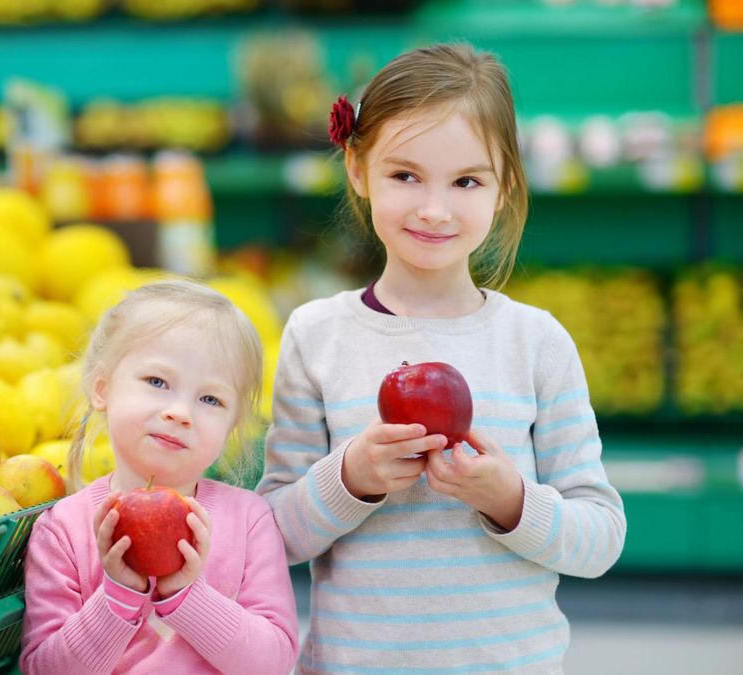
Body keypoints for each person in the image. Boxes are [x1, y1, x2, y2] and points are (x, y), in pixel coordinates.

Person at [257, 42, 627, 674]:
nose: (434, 208)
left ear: (504, 186)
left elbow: (600, 539)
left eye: (466, 181)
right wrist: (352, 478)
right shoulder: (316, 336)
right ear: (357, 168)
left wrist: (510, 498)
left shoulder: (535, 343)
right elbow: (271, 537)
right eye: (405, 175)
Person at [21, 279, 299, 675]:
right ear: (102, 389)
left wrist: (187, 595)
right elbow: (46, 670)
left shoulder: (249, 521)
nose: (180, 411)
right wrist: (118, 595)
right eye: (157, 382)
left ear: (233, 423)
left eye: (210, 399)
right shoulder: (65, 528)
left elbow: (274, 663)